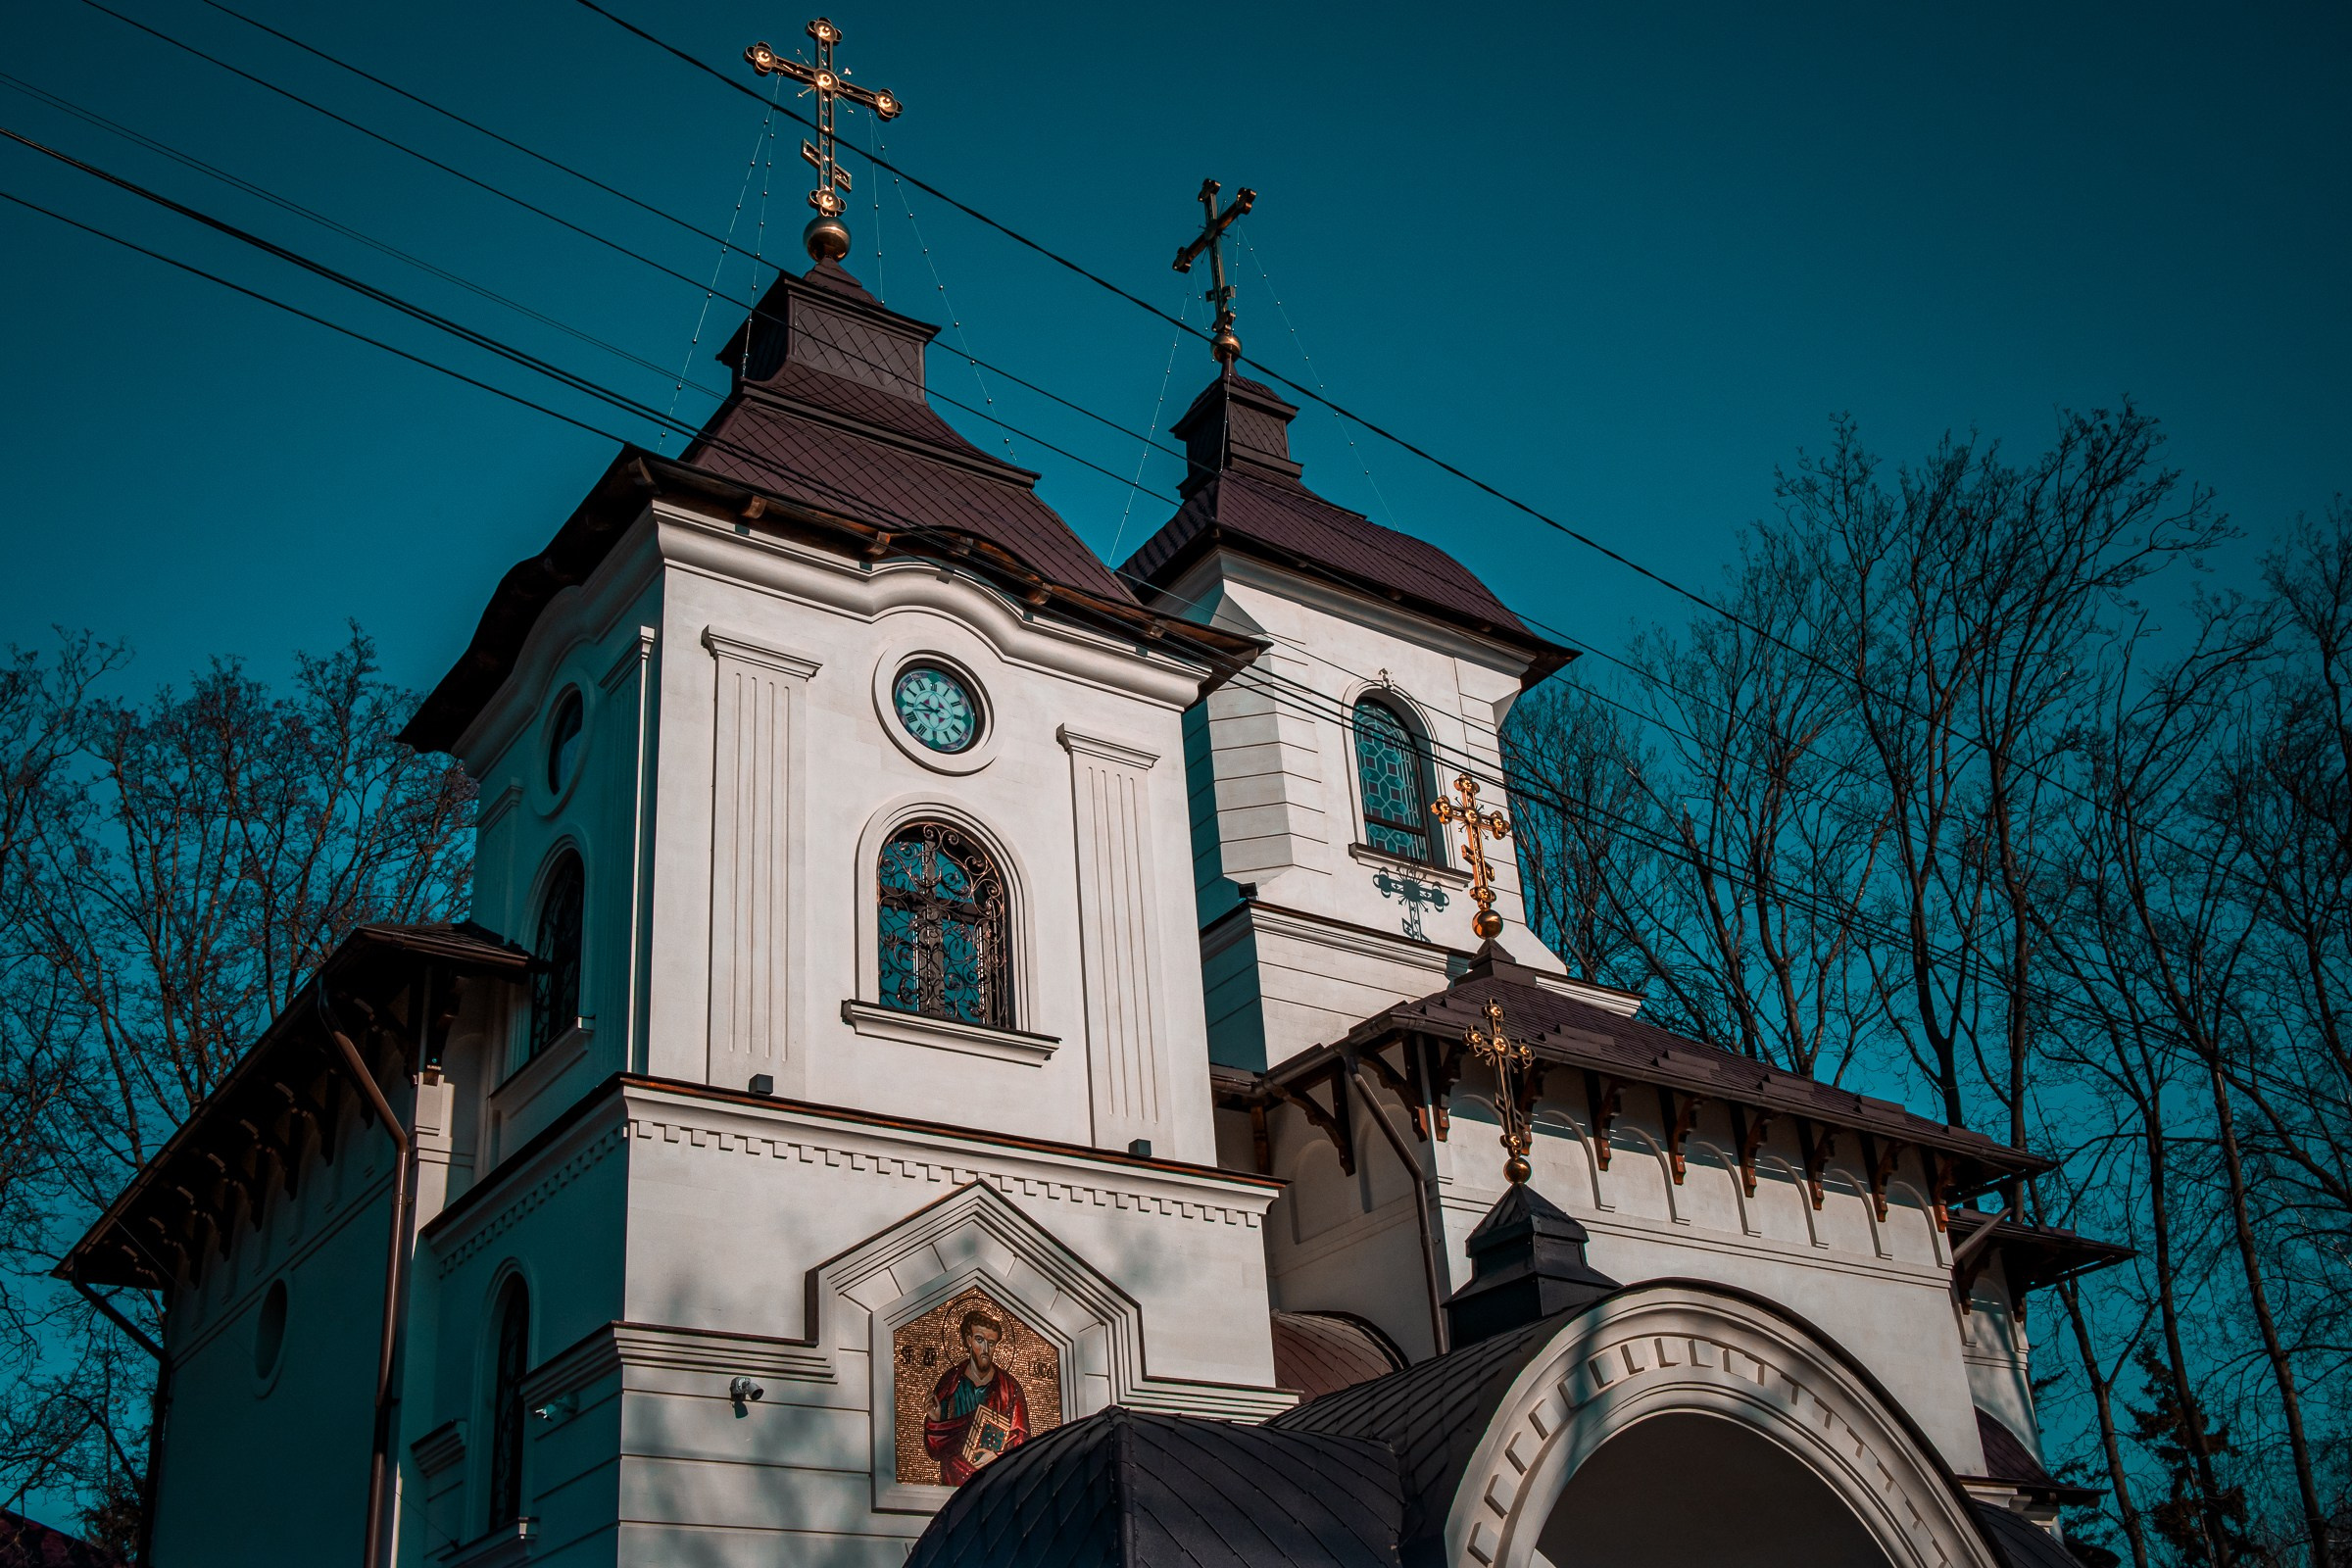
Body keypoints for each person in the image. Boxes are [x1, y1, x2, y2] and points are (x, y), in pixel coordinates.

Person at [921, 1307, 1030, 1485]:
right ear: (968, 1340)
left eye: (991, 1343)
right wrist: (935, 1420)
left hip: (994, 1481)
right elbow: (936, 1450)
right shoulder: (950, 1382)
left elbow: (1023, 1442)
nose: (985, 1349)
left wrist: (997, 1457)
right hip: (953, 1480)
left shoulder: (1010, 1388)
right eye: (980, 1340)